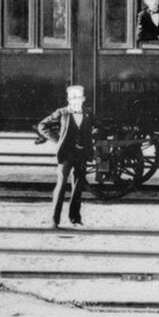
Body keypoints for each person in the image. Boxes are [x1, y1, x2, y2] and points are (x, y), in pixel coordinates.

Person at [36, 85, 95, 227]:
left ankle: (75, 219)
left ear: (84, 99)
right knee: (61, 186)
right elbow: (42, 125)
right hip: (66, 155)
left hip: (81, 155)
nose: (76, 100)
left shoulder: (88, 114)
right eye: (73, 97)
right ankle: (54, 220)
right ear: (69, 99)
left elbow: (98, 126)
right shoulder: (62, 113)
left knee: (78, 187)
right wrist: (58, 139)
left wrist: (95, 133)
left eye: (79, 97)